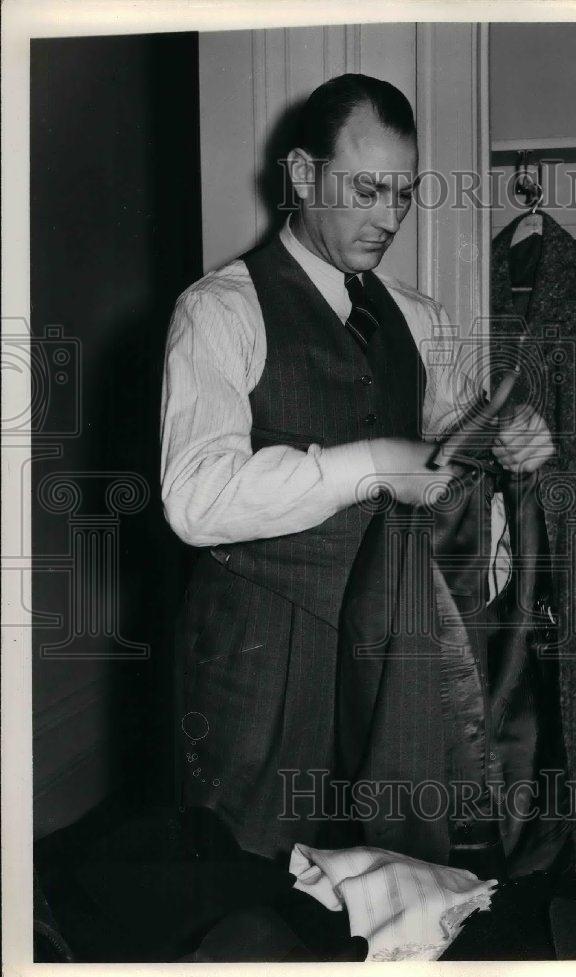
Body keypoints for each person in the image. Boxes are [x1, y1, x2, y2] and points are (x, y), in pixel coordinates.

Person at [160, 73, 553, 865]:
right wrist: (372, 464)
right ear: (303, 176)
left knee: (391, 892)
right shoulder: (218, 310)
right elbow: (194, 498)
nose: (389, 217)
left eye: (403, 194)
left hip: (391, 674)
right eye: (368, 189)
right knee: (249, 895)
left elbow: (454, 452)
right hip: (259, 669)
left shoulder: (417, 316)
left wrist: (512, 444)